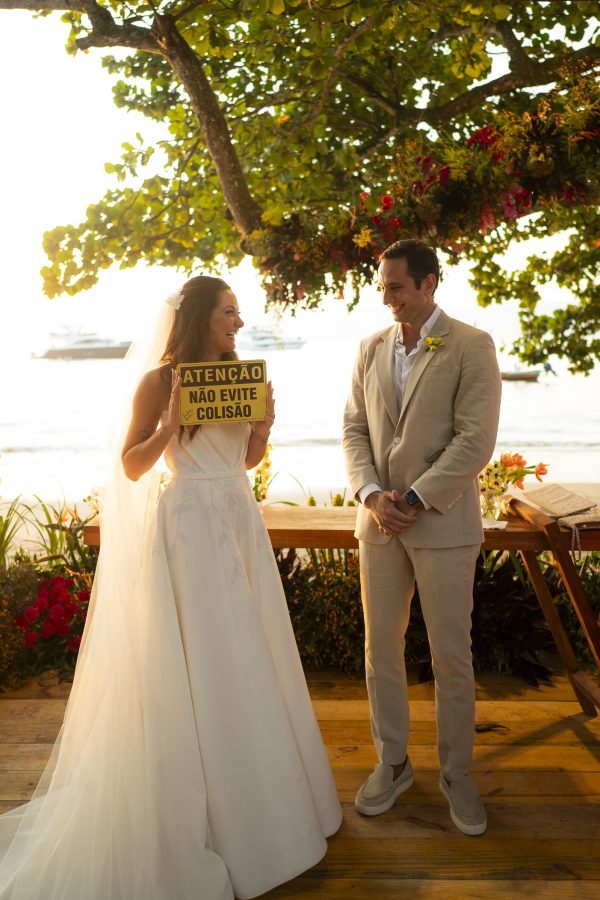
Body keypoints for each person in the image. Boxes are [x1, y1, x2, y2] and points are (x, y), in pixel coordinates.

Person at [0, 275, 342, 900]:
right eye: (229, 312)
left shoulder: (239, 376)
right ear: (198, 317)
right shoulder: (159, 382)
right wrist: (170, 424)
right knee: (205, 656)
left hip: (237, 518)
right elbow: (131, 465)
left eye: (239, 312)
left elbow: (244, 462)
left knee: (252, 651)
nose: (239, 323)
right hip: (188, 526)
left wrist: (263, 428)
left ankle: (271, 801)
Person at [343, 240, 501, 836]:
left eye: (396, 287)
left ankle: (457, 773)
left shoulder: (472, 345)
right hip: (379, 525)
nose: (387, 298)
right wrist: (371, 495)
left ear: (429, 283)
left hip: (442, 523)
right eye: (382, 287)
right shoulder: (370, 348)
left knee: (450, 655)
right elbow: (354, 429)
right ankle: (393, 762)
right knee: (380, 650)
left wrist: (411, 498)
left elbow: (474, 440)